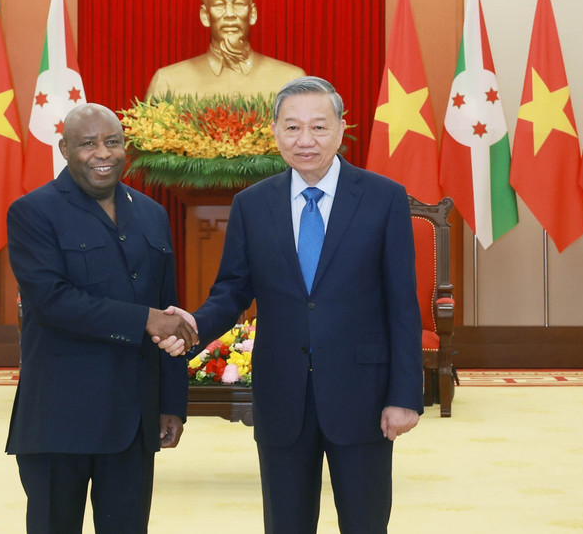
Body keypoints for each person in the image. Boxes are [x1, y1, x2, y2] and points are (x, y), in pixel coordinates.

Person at [158, 77, 423, 533]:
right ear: (275, 133)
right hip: (282, 395)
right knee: (286, 523)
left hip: (362, 393)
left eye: (319, 127)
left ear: (342, 128)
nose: (306, 141)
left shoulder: (384, 199)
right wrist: (194, 324)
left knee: (365, 522)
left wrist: (404, 396)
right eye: (292, 127)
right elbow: (233, 290)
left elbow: (402, 304)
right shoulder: (252, 204)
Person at [6, 103, 198, 534]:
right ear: (64, 148)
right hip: (60, 417)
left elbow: (169, 313)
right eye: (88, 144)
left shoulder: (152, 213)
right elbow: (52, 301)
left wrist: (171, 405)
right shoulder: (33, 212)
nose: (102, 153)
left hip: (133, 418)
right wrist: (143, 320)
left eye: (112, 142)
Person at [145, 0, 306, 99]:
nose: (230, 14)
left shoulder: (290, 80)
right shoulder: (167, 82)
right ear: (205, 15)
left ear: (252, 14)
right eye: (219, 5)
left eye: (239, 4)